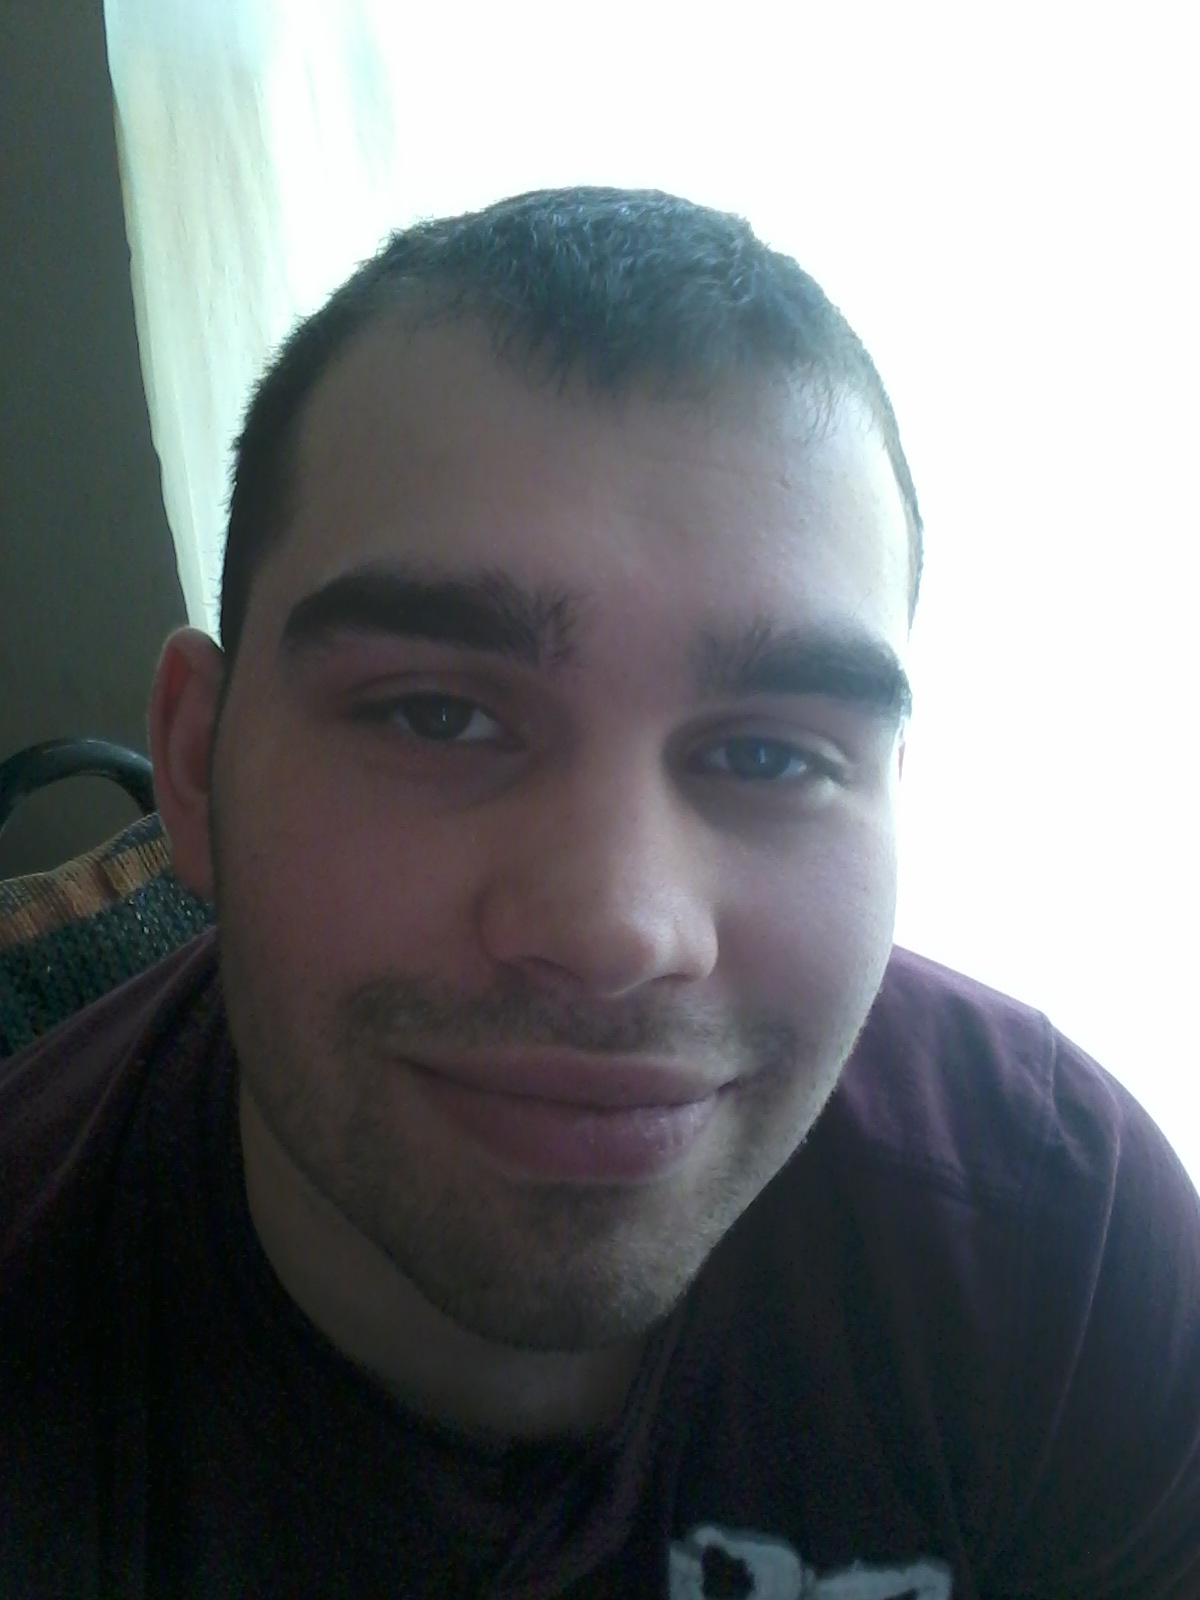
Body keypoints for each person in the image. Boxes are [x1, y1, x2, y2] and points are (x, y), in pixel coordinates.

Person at [1, 187, 1197, 1600]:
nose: (619, 930)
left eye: (769, 754)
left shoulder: (1061, 1249)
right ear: (197, 770)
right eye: (438, 715)